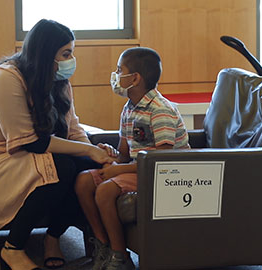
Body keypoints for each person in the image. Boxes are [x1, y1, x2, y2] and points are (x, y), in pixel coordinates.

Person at [0, 19, 117, 270]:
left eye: (71, 53)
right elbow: (31, 142)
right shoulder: (4, 79)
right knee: (63, 167)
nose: (70, 60)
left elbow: (73, 129)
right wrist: (89, 150)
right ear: (45, 54)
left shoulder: (58, 80)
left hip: (30, 156)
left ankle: (53, 238)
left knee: (87, 170)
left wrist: (97, 155)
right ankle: (12, 249)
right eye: (66, 54)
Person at [75, 47, 190, 270]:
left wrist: (118, 171)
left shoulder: (160, 109)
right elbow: (125, 154)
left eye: (119, 70)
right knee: (83, 181)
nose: (116, 76)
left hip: (164, 175)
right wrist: (111, 156)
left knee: (106, 190)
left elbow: (162, 160)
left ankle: (120, 257)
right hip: (138, 169)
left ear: (135, 78)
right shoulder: (128, 109)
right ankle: (104, 245)